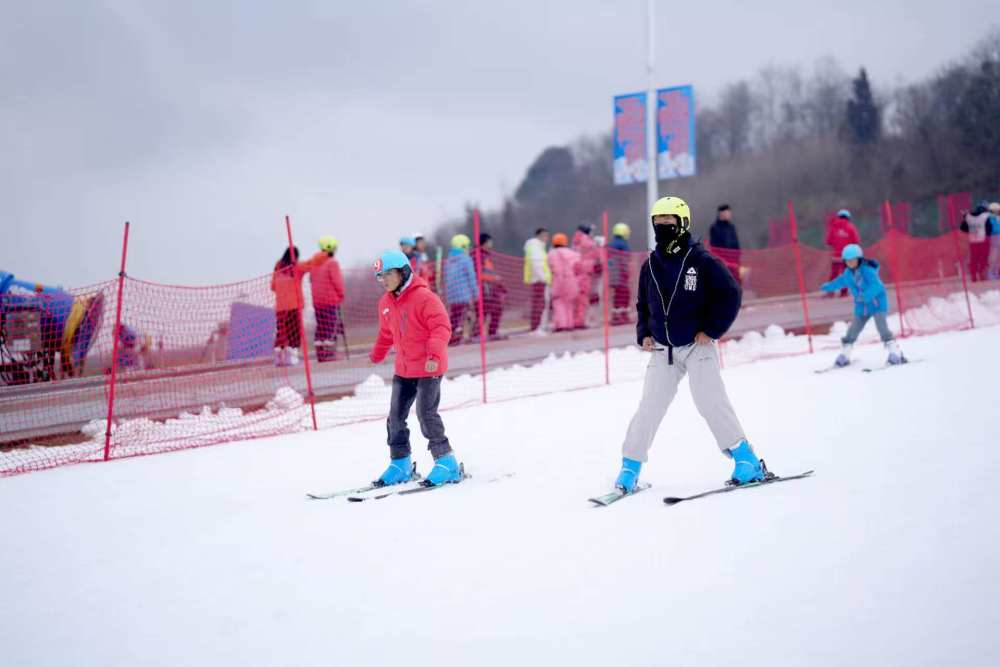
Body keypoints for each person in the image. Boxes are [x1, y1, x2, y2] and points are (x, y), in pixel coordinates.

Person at [614, 196, 762, 493]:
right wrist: (644, 332)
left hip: (697, 346)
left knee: (710, 401)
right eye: (658, 221)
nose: (662, 225)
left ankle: (747, 460)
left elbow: (730, 294)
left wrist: (712, 329)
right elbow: (643, 304)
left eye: (668, 220)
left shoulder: (701, 260)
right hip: (663, 349)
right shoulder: (650, 265)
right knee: (649, 407)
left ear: (682, 223)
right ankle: (630, 468)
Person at [369, 250, 461, 487]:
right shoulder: (385, 303)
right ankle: (400, 464)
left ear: (403, 272)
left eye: (388, 274)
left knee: (426, 414)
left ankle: (447, 462)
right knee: (395, 417)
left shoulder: (424, 298)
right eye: (380, 276)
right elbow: (386, 333)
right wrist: (377, 353)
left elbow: (441, 327)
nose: (383, 280)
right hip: (404, 369)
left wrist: (433, 354)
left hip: (429, 366)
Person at [820, 243, 904, 367]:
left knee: (882, 328)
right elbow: (840, 281)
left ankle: (895, 353)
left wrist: (866, 296)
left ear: (859, 259)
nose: (850, 263)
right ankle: (845, 354)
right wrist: (829, 286)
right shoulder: (848, 274)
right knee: (853, 330)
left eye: (853, 260)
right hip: (862, 307)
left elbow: (877, 286)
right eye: (847, 261)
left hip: (877, 304)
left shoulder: (868, 271)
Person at [270, 246, 312, 367]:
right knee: (294, 332)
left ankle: (278, 357)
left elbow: (273, 286)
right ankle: (291, 357)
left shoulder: (278, 267)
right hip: (294, 305)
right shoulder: (297, 266)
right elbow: (310, 266)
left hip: (280, 306)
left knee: (281, 333)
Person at [309, 236, 345, 362]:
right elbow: (337, 281)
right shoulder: (332, 263)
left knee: (321, 326)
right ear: (331, 248)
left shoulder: (314, 264)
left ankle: (321, 354)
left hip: (317, 301)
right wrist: (341, 294)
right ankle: (329, 354)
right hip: (329, 300)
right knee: (330, 326)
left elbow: (311, 280)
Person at [443, 233, 478, 345]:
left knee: (455, 316)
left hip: (452, 296)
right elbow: (471, 277)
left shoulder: (448, 261)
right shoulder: (466, 260)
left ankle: (453, 335)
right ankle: (467, 334)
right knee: (468, 316)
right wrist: (476, 293)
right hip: (464, 295)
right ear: (463, 246)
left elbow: (446, 279)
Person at [547, 233, 581, 332]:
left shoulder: (551, 254)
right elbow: (578, 265)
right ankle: (570, 324)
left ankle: (561, 325)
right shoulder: (572, 253)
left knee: (558, 303)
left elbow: (550, 266)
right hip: (571, 280)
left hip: (558, 280)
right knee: (569, 303)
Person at [478, 233, 507, 340]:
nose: (491, 244)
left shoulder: (486, 255)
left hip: (490, 287)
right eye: (490, 241)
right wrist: (493, 278)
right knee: (483, 311)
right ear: (485, 242)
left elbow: (488, 271)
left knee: (496, 308)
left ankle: (492, 332)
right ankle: (477, 334)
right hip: (484, 288)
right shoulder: (479, 255)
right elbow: (479, 273)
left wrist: (495, 278)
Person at [825, 210, 861, 298]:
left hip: (836, 256)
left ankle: (830, 292)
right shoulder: (851, 227)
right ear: (848, 217)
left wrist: (837, 243)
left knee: (834, 274)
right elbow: (856, 241)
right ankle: (843, 292)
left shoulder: (833, 227)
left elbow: (828, 241)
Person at [571, 224, 601, 329]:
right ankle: (580, 321)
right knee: (583, 298)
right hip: (586, 272)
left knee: (576, 298)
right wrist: (599, 244)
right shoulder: (588, 242)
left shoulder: (575, 241)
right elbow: (598, 255)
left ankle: (575, 320)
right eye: (591, 231)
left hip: (575, 271)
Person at [523, 228, 552, 331]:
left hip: (541, 279)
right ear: (538, 236)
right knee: (540, 304)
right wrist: (542, 277)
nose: (546, 238)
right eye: (544, 236)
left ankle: (540, 325)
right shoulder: (535, 247)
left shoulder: (539, 247)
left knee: (541, 303)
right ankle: (538, 326)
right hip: (539, 280)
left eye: (547, 236)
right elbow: (536, 264)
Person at [960, 201, 994, 282]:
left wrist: (971, 231)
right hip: (983, 240)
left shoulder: (968, 216)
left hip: (973, 241)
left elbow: (963, 228)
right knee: (983, 258)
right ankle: (982, 274)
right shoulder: (985, 216)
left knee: (974, 258)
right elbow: (989, 228)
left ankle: (973, 275)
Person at [709, 204, 742, 284]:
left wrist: (737, 256)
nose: (728, 215)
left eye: (729, 213)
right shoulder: (714, 228)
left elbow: (736, 244)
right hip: (722, 262)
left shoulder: (731, 227)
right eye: (726, 212)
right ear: (721, 213)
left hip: (733, 261)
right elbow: (714, 247)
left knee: (736, 282)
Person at [608, 222, 632, 325]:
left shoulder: (611, 244)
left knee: (617, 295)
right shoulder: (623, 244)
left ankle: (616, 316)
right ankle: (622, 316)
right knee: (624, 294)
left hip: (612, 274)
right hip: (621, 273)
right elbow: (626, 259)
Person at [988, 203, 1000, 280]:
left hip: (997, 236)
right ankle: (992, 273)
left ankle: (995, 272)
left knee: (996, 256)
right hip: (994, 237)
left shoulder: (996, 217)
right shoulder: (990, 217)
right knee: (994, 256)